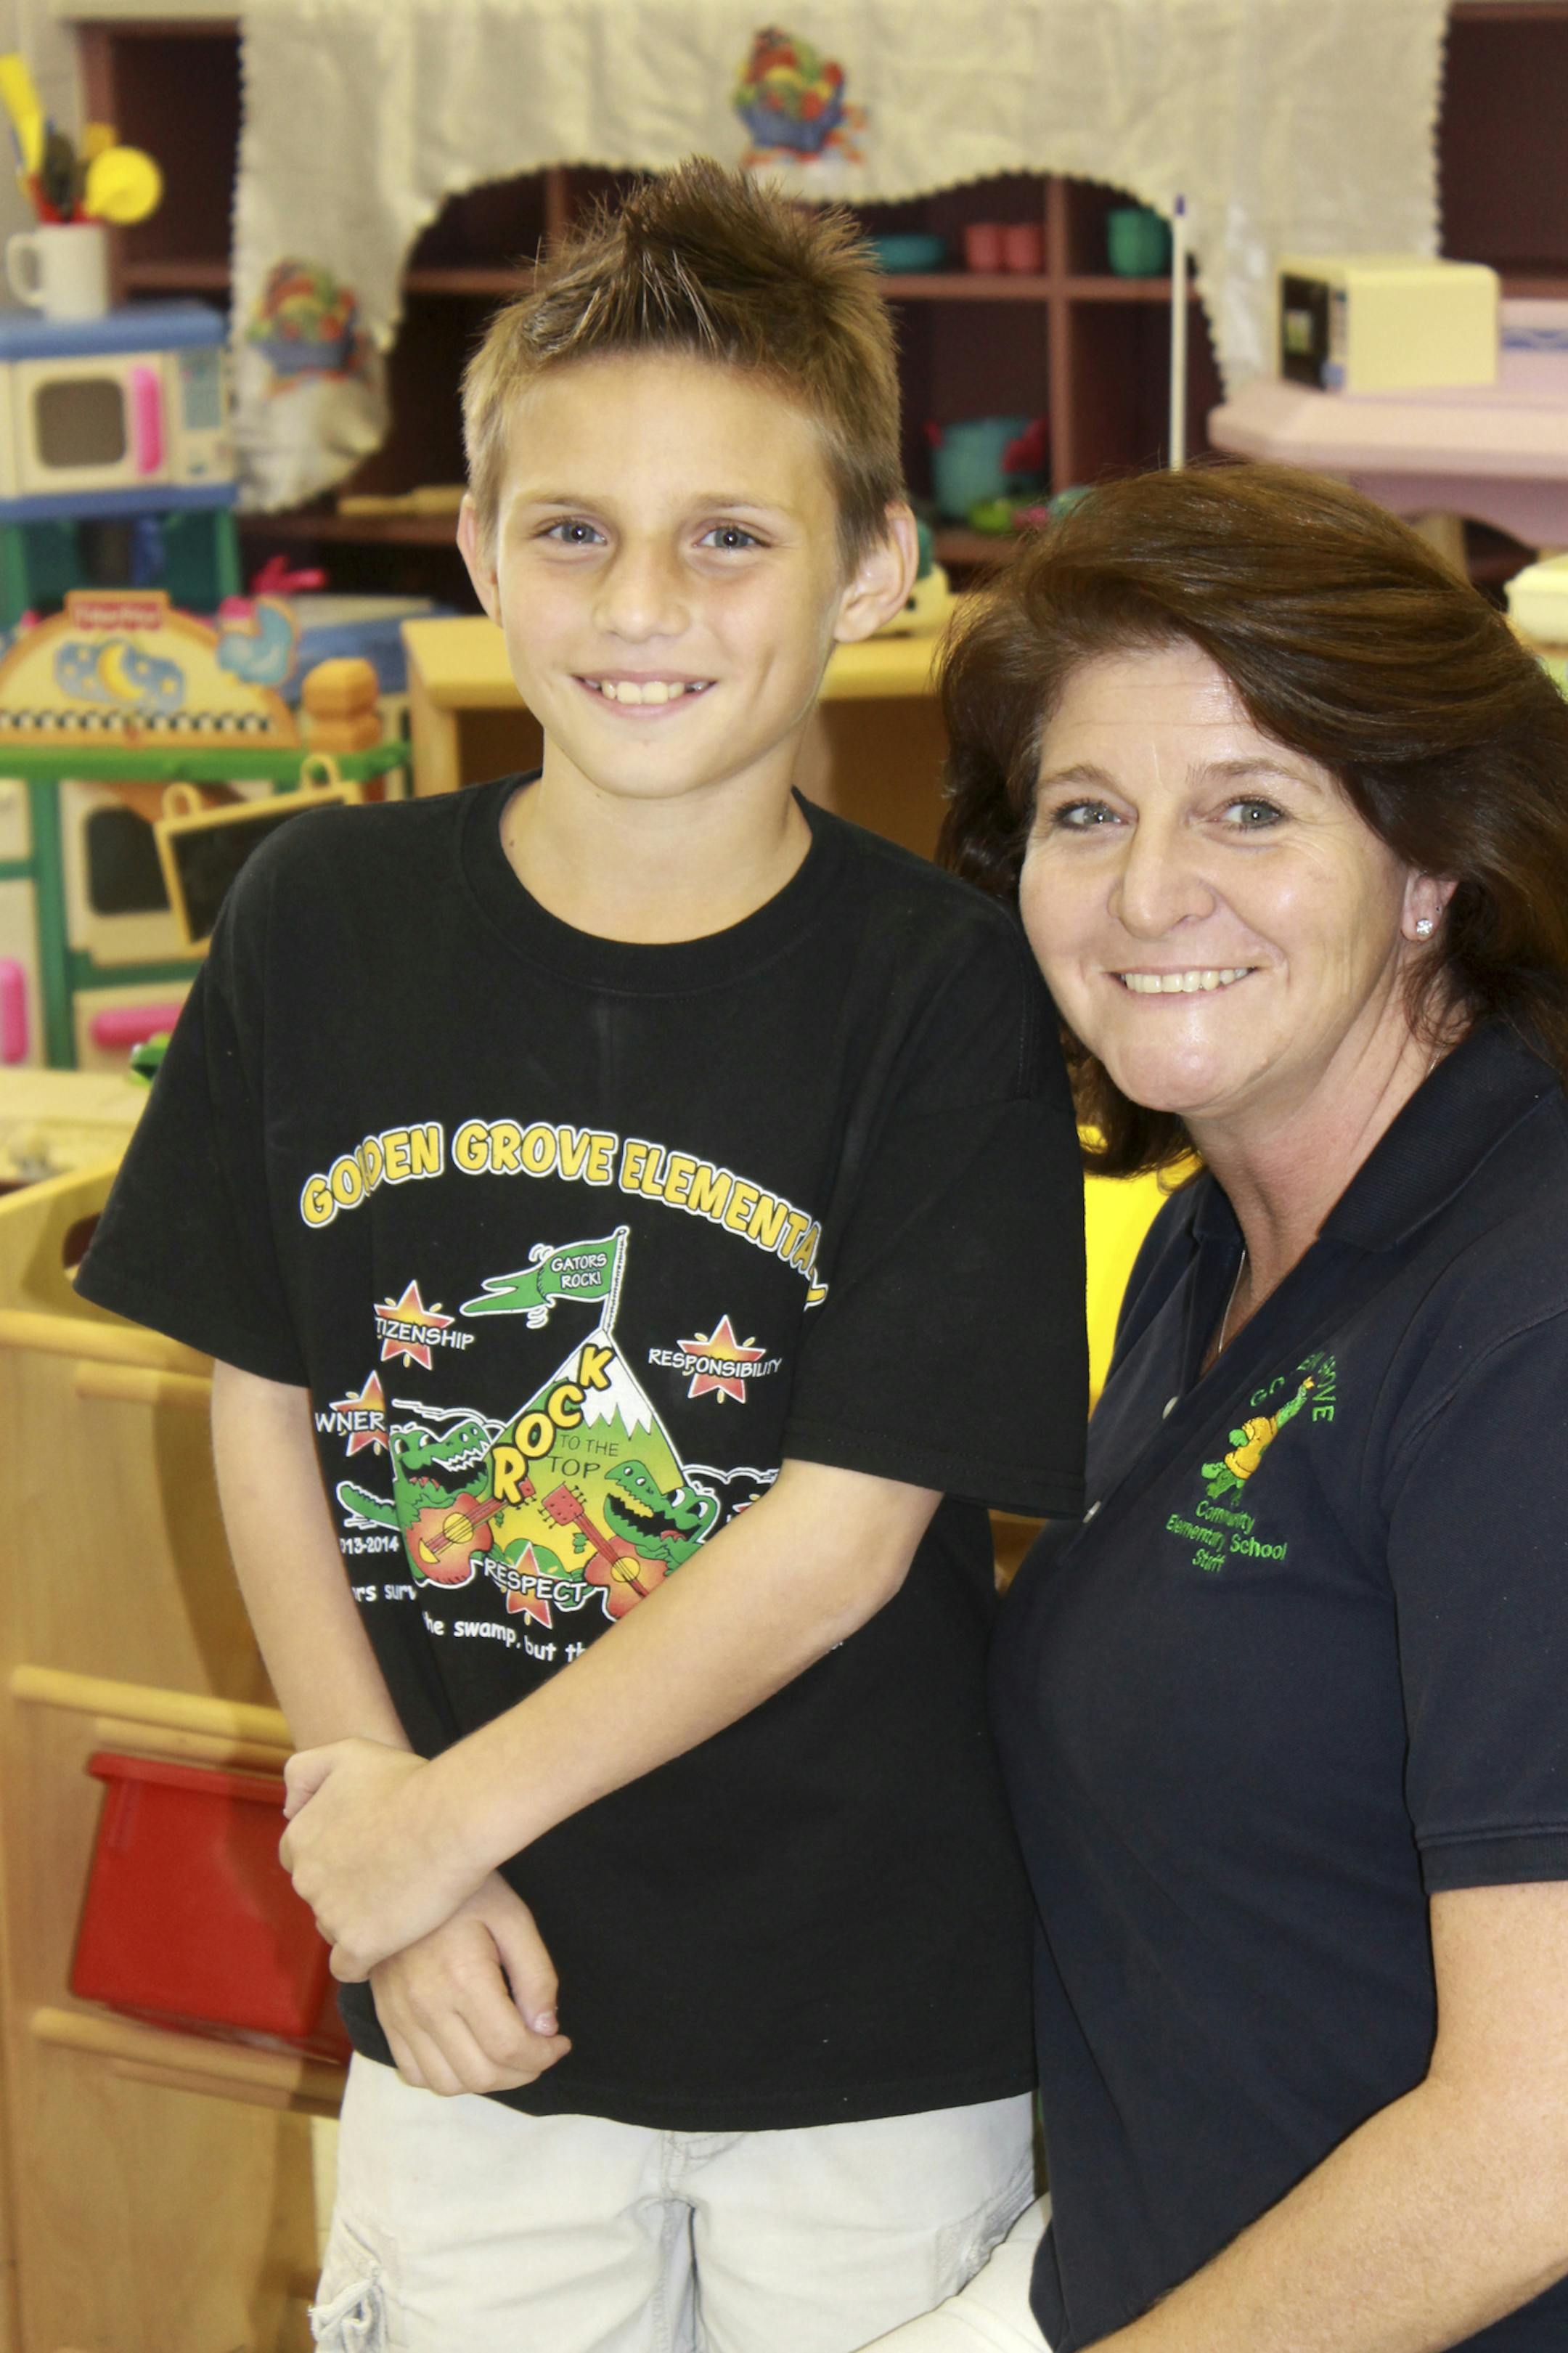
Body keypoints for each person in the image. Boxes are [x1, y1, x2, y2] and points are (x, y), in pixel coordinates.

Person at [74, 160, 1088, 2353]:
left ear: (876, 572)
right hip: (468, 1996)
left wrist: (423, 1824)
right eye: (574, 531)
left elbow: (841, 1537)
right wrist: (367, 1811)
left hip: (872, 2031)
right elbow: (265, 1390)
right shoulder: (318, 925)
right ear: (475, 548)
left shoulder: (950, 989)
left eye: (731, 534)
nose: (647, 599)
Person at [870, 461, 1568, 2353]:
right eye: (1085, 811)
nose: (1150, 887)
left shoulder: (1526, 1307)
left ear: (1431, 866)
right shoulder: (1211, 1249)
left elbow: (1541, 2142)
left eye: (1250, 807)